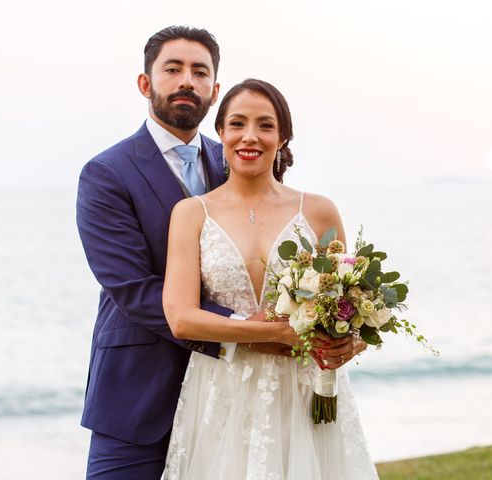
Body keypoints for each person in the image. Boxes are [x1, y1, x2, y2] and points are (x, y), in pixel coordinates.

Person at [76, 26, 363, 479]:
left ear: (214, 93)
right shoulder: (106, 174)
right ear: (146, 83)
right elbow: (133, 289)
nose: (186, 80)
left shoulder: (238, 155)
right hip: (139, 390)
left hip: (254, 394)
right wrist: (255, 333)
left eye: (199, 71)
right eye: (173, 69)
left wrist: (339, 332)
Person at [162, 79, 378, 479]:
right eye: (238, 124)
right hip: (223, 392)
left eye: (265, 125)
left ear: (282, 138)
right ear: (221, 132)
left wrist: (349, 342)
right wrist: (276, 335)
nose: (250, 137)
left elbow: (352, 308)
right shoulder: (191, 213)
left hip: (303, 392)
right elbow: (181, 318)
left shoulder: (319, 211)